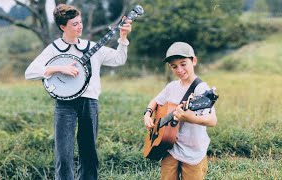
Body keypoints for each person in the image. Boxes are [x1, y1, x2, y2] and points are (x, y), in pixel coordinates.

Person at [25, 4, 132, 180]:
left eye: (80, 22)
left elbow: (119, 59)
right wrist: (58, 68)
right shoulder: (54, 48)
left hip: (89, 102)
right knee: (64, 154)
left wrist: (123, 37)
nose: (80, 26)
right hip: (64, 105)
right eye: (74, 24)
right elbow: (30, 72)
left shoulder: (92, 47)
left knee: (89, 152)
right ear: (62, 27)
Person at [143, 42, 217, 180]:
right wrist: (147, 114)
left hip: (193, 151)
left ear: (193, 61)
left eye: (183, 64)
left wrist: (190, 118)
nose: (179, 70)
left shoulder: (201, 89)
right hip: (169, 147)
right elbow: (155, 101)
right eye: (174, 66)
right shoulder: (172, 86)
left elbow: (212, 120)